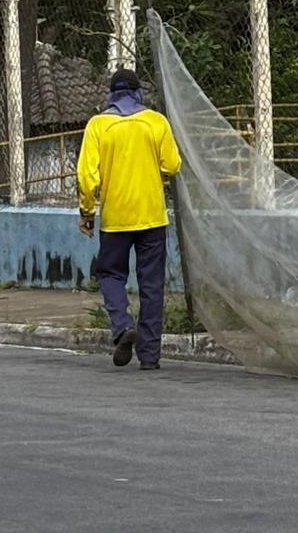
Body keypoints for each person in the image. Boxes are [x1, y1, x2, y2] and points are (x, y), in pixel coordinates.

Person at [77, 69, 182, 370]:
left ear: (111, 95)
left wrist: (87, 212)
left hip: (115, 218)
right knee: (152, 285)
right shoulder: (155, 122)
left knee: (110, 274)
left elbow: (86, 176)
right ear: (138, 93)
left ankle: (123, 326)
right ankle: (149, 357)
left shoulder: (98, 125)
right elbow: (173, 165)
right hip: (152, 217)